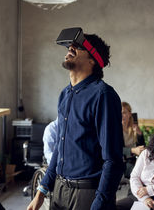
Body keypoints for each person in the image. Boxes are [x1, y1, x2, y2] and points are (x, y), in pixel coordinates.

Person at [27, 28, 124, 210]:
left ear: (92, 59)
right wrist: (42, 191)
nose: (70, 48)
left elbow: (113, 160)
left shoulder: (102, 95)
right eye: (69, 46)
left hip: (87, 193)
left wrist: (99, 204)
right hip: (59, 189)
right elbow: (59, 148)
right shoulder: (65, 94)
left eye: (78, 46)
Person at [117, 124, 154, 210]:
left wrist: (150, 189)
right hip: (138, 194)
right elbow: (134, 176)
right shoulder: (146, 153)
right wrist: (145, 198)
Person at [122, 102, 145, 178]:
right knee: (140, 174)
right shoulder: (115, 130)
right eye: (119, 113)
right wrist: (132, 150)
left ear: (129, 114)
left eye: (124, 112)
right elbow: (115, 149)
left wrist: (139, 134)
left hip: (136, 160)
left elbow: (142, 146)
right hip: (123, 162)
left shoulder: (133, 128)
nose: (121, 115)